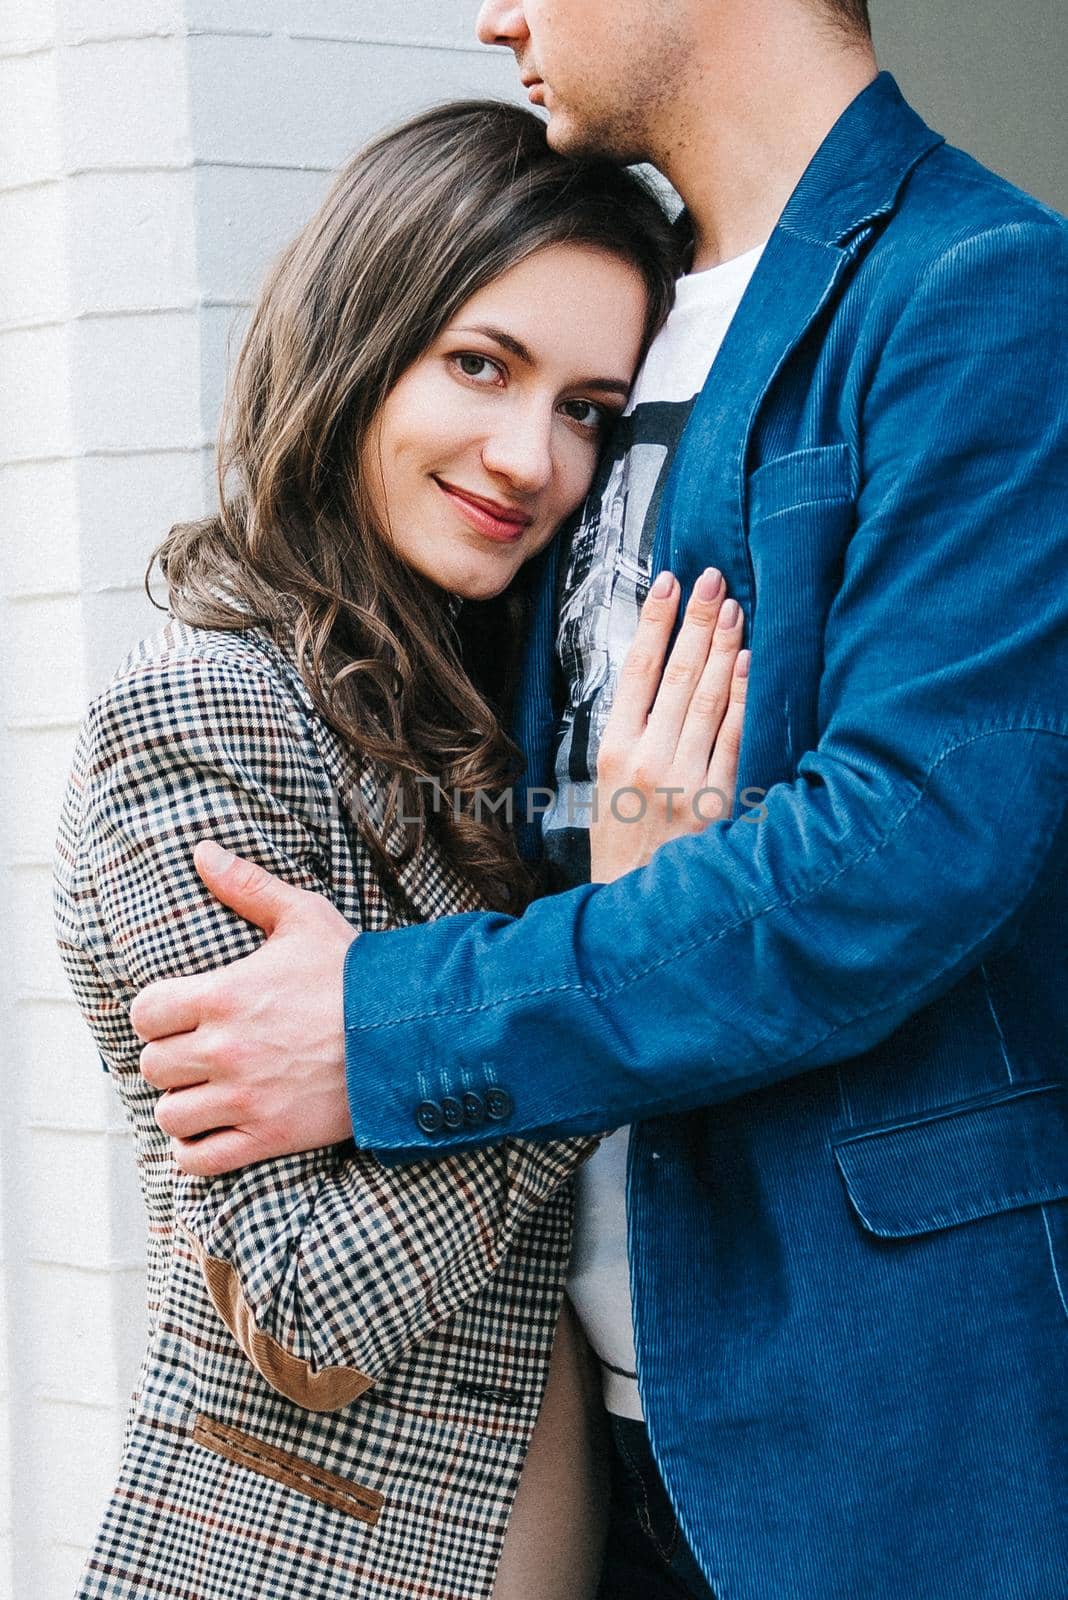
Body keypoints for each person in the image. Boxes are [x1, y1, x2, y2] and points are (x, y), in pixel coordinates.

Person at [131, 2, 1068, 1597]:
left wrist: (380, 1024)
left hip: (868, 1415)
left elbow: (901, 842)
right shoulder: (619, 301)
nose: (496, 13)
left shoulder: (977, 289)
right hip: (572, 1423)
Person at [54, 98, 755, 1600]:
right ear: (359, 344)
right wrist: (618, 952)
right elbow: (303, 1312)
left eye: (586, 408)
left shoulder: (488, 699)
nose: (529, 457)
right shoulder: (206, 719)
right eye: (481, 367)